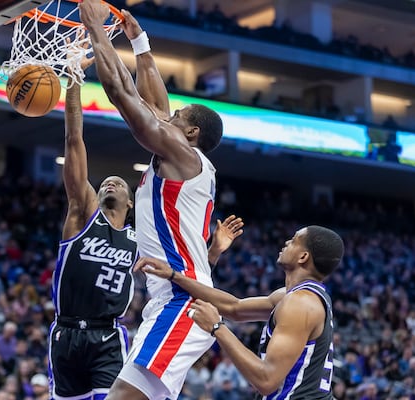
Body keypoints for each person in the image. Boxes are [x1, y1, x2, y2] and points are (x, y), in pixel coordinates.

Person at [50, 49, 237, 400]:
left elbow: (181, 268)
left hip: (108, 335)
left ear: (133, 202)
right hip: (66, 332)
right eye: (106, 181)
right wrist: (74, 85)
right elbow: (74, 143)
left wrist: (208, 255)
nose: (111, 183)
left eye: (120, 183)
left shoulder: (140, 240)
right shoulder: (82, 218)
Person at [136, 225, 345, 399]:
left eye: (293, 240)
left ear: (303, 256)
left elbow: (266, 380)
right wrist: (175, 275)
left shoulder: (301, 303)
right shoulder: (291, 296)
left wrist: (217, 327)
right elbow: (234, 308)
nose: (286, 243)